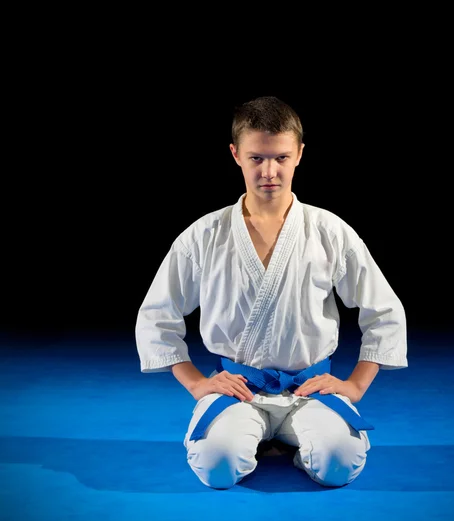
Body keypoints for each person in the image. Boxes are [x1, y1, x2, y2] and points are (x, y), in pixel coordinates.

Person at [135, 96, 408, 490]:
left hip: (309, 389)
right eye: (256, 158)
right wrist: (197, 383)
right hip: (238, 388)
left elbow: (384, 311)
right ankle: (257, 437)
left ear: (298, 154)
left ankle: (284, 440)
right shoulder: (205, 235)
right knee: (216, 467)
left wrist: (355, 385)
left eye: (280, 157)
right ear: (235, 155)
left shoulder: (328, 231)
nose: (269, 171)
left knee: (339, 464)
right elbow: (157, 314)